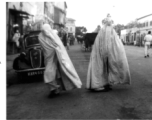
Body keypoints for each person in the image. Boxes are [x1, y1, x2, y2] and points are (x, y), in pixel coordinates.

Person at [86, 14, 131, 92]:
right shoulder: (107, 30)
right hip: (104, 53)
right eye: (109, 22)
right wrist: (109, 54)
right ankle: (101, 84)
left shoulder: (105, 30)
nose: (110, 23)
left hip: (103, 53)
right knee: (103, 67)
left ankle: (106, 83)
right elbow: (107, 44)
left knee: (105, 67)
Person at [38, 24, 82, 97]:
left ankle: (55, 89)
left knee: (51, 73)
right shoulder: (41, 37)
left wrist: (57, 50)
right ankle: (55, 89)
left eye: (46, 30)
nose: (46, 32)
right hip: (49, 58)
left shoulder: (52, 35)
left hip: (57, 57)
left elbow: (59, 46)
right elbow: (45, 47)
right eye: (44, 31)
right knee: (51, 73)